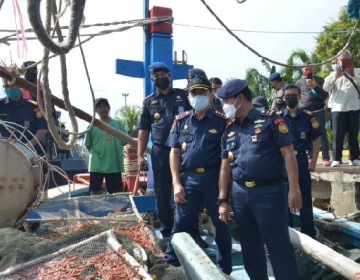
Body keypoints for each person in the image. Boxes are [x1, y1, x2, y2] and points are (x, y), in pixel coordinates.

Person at [217, 79, 302, 280]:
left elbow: (288, 154)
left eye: (226, 100)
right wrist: (223, 200)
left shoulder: (270, 121)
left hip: (269, 193)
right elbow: (225, 168)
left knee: (278, 247)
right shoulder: (229, 130)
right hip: (240, 195)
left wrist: (294, 189)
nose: (223, 106)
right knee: (250, 248)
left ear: (239, 98)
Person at [164, 70, 232, 275]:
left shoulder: (222, 121)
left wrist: (223, 194)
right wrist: (176, 183)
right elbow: (174, 153)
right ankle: (171, 264)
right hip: (188, 180)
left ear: (211, 95)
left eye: (203, 92)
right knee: (181, 222)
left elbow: (226, 159)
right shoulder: (180, 121)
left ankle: (224, 269)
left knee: (221, 224)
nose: (199, 96)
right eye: (195, 93)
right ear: (188, 96)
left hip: (214, 179)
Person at [137, 62, 192, 238]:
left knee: (186, 186)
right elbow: (144, 129)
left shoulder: (184, 96)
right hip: (160, 150)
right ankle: (167, 229)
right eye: (156, 75)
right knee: (162, 189)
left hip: (184, 148)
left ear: (169, 76)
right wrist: (139, 155)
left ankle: (189, 228)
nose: (159, 77)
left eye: (163, 74)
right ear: (152, 79)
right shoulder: (149, 102)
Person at [280, 84, 322, 238]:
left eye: (294, 95)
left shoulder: (308, 117)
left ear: (299, 97)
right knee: (284, 198)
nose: (291, 97)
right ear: (284, 98)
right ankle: (288, 233)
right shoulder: (277, 118)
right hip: (283, 161)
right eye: (288, 95)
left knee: (304, 197)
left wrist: (313, 162)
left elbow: (317, 140)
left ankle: (309, 234)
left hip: (301, 159)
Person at [323, 50, 360, 167]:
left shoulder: (358, 71)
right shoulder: (333, 73)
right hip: (337, 108)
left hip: (353, 106)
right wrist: (335, 76)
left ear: (351, 60)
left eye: (346, 60)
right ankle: (336, 159)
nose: (344, 63)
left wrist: (353, 74)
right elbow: (326, 88)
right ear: (338, 61)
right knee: (337, 134)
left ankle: (354, 157)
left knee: (353, 134)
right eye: (342, 60)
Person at [84, 98, 126, 195]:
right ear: (96, 110)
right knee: (94, 191)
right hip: (97, 165)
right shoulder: (92, 125)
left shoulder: (118, 124)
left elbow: (125, 141)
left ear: (109, 107)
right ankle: (93, 208)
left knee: (116, 193)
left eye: (105, 106)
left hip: (114, 164)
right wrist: (98, 155)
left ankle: (116, 210)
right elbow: (88, 145)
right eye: (99, 107)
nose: (103, 109)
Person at [295, 64, 330, 166]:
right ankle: (310, 156)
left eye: (310, 68)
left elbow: (325, 94)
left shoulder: (320, 80)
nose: (309, 70)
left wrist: (314, 85)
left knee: (322, 134)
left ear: (313, 69)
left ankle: (325, 157)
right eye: (306, 69)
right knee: (307, 134)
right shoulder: (299, 82)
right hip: (305, 112)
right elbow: (296, 96)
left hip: (319, 110)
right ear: (302, 71)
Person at [0, 78, 47, 150]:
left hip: (28, 151)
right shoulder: (1, 105)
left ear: (19, 85)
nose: (9, 89)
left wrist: (29, 145)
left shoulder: (34, 106)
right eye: (6, 86)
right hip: (4, 150)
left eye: (11, 85)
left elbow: (42, 129)